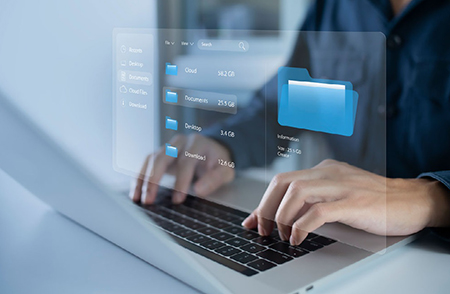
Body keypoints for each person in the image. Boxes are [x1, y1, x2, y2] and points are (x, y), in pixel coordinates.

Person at [132, 0, 450, 246]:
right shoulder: (333, 7)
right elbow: (285, 106)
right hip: (342, 244)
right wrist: (223, 144)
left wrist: (431, 198)